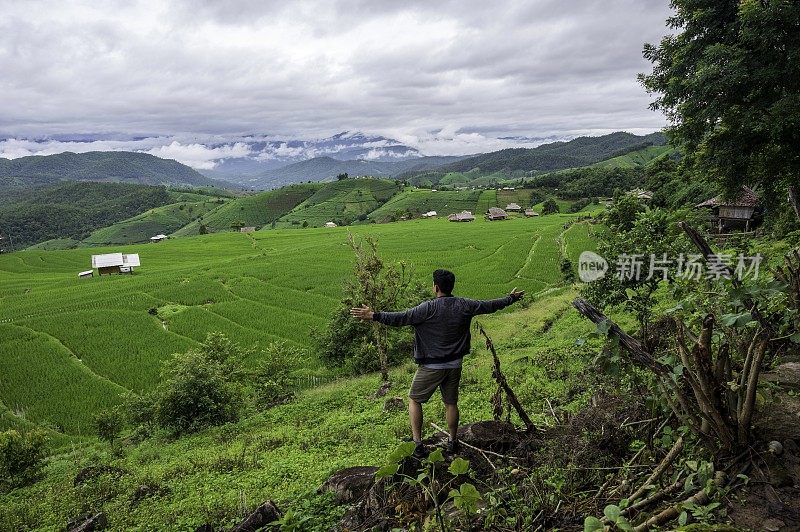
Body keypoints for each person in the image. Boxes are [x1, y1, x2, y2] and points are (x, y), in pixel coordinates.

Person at [350, 269, 524, 456]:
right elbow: (490, 305)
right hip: (455, 364)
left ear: (436, 287)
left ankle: (417, 443)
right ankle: (453, 441)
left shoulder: (427, 308)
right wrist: (510, 298)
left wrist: (373, 315)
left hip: (431, 366)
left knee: (415, 400)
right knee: (451, 402)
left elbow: (400, 318)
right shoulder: (464, 304)